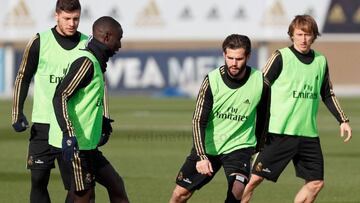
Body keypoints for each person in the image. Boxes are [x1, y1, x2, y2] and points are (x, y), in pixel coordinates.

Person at [241, 15, 352, 203]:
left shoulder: (321, 61)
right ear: (292, 35)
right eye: (299, 34)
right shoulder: (280, 56)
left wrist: (343, 120)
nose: (303, 39)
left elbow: (327, 93)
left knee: (316, 183)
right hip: (278, 132)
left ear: (314, 36)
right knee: (254, 179)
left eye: (308, 35)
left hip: (308, 134)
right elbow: (260, 85)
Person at [169, 34, 271, 203]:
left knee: (237, 191)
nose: (234, 63)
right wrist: (201, 156)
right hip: (208, 146)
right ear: (224, 55)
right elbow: (198, 121)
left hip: (240, 146)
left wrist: (257, 148)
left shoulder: (261, 83)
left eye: (239, 59)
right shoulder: (212, 80)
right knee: (180, 194)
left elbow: (263, 119)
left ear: (248, 56)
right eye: (230, 58)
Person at [11, 0, 87, 202]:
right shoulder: (39, 41)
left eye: (76, 18)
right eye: (67, 18)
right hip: (43, 125)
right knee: (38, 180)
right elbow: (23, 77)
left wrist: (105, 118)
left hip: (72, 126)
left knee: (77, 187)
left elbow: (100, 85)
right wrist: (17, 112)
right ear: (57, 15)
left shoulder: (87, 44)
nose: (72, 23)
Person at [52, 16, 129, 203]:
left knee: (116, 185)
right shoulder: (86, 62)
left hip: (89, 147)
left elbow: (86, 101)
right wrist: (68, 135)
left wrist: (102, 122)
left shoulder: (97, 62)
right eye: (119, 39)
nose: (120, 45)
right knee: (83, 196)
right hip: (75, 147)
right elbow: (60, 96)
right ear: (107, 37)